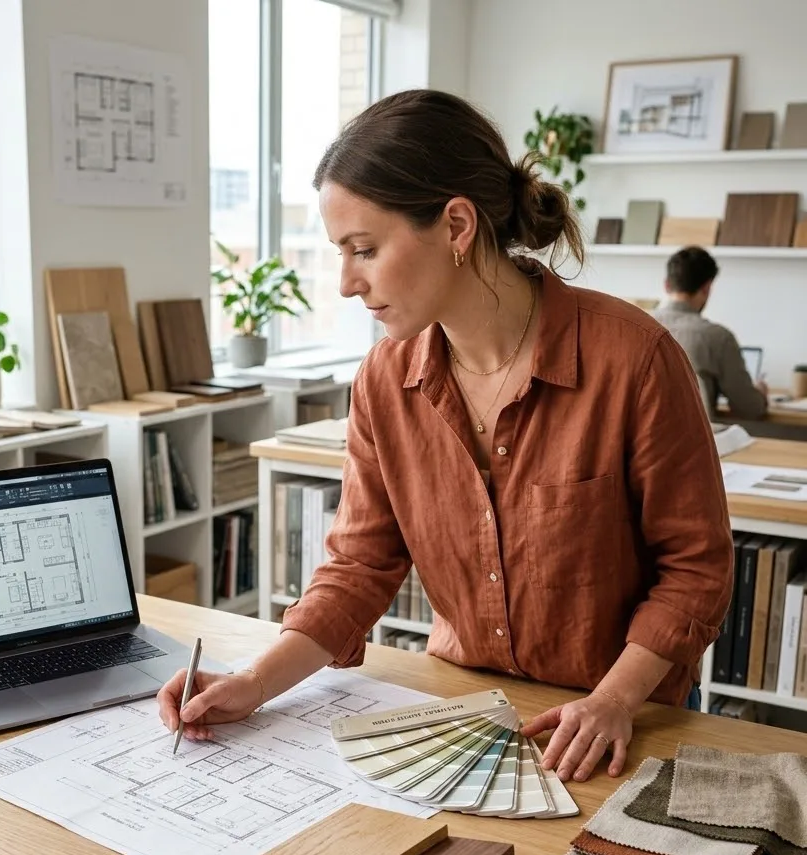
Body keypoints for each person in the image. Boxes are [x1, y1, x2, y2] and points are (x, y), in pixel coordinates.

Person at [158, 89, 733, 785]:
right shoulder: (383, 379)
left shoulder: (634, 359)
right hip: (465, 716)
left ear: (457, 225)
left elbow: (697, 570)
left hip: (621, 722)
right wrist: (253, 683)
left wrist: (612, 700)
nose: (345, 283)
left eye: (363, 249)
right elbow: (359, 566)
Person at [654, 246, 768, 420]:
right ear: (707, 288)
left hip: (638, 442)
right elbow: (749, 408)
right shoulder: (718, 337)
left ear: (667, 284)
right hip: (695, 442)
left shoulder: (636, 327)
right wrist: (760, 394)